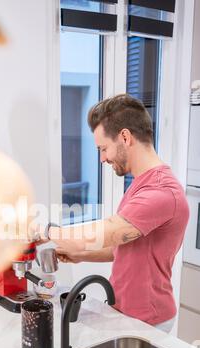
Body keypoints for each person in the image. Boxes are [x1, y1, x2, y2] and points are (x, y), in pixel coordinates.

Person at [34, 94, 190, 333]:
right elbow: (122, 247)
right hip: (126, 312)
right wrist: (81, 254)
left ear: (125, 137)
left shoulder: (161, 192)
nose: (102, 158)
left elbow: (109, 232)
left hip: (148, 321)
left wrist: (47, 230)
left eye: (103, 148)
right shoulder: (140, 185)